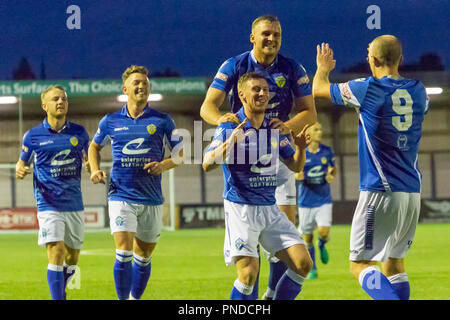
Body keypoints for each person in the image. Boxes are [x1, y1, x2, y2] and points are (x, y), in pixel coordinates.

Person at [200, 14, 316, 300]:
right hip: (242, 173)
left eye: (276, 34)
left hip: (277, 145)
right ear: (253, 37)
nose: (272, 39)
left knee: (298, 257)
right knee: (248, 269)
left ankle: (270, 295)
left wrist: (287, 130)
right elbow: (207, 108)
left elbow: (310, 113)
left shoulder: (292, 68)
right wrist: (226, 128)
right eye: (266, 34)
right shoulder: (234, 66)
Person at [313, 36, 429, 300]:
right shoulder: (419, 90)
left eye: (368, 53)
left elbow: (318, 89)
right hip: (411, 192)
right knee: (394, 264)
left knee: (360, 265)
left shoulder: (366, 88)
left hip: (380, 191)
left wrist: (323, 68)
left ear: (372, 60)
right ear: (401, 59)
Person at [88, 65, 183, 300]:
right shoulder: (110, 121)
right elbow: (93, 146)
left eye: (145, 83)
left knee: (144, 256)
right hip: (120, 194)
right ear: (125, 89)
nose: (141, 86)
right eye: (136, 83)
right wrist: (95, 169)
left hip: (151, 197)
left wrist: (163, 165)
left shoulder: (162, 120)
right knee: (123, 251)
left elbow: (182, 153)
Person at [16, 85, 90, 300]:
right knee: (56, 251)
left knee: (72, 258)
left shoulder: (79, 133)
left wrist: (91, 167)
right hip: (48, 202)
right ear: (44, 105)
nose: (60, 102)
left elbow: (90, 159)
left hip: (74, 202)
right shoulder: (33, 136)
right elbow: (21, 163)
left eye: (64, 99)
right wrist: (21, 169)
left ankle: (61, 291)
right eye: (55, 99)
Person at [295, 122, 337, 279]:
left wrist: (332, 174)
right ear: (309, 133)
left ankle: (323, 243)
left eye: (321, 129)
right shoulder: (301, 152)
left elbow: (333, 168)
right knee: (307, 237)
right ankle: (312, 267)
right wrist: (297, 175)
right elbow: (295, 170)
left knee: (323, 231)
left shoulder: (327, 151)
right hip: (306, 200)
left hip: (324, 198)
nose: (320, 132)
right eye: (316, 130)